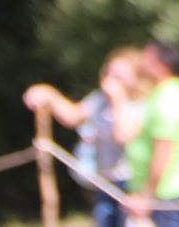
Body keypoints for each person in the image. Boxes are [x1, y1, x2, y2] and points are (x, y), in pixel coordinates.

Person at [24, 47, 147, 227]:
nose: (110, 81)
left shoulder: (140, 105)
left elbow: (123, 136)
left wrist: (118, 100)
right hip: (105, 182)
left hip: (131, 185)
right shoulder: (99, 99)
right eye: (109, 74)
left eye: (118, 76)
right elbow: (73, 116)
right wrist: (49, 94)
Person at [123, 39, 179, 227]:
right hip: (153, 193)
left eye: (147, 58)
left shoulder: (169, 100)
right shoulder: (161, 92)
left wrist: (147, 196)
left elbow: (164, 150)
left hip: (163, 195)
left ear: (163, 66)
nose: (141, 62)